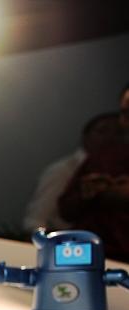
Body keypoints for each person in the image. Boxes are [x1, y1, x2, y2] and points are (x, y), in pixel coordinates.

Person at [58, 86, 129, 262]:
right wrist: (87, 193)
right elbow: (65, 209)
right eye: (125, 113)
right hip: (82, 256)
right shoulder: (104, 157)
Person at [23, 113, 121, 232]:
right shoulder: (65, 170)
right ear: (85, 137)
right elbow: (36, 219)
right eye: (102, 131)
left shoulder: (116, 172)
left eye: (118, 133)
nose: (110, 138)